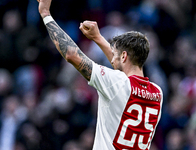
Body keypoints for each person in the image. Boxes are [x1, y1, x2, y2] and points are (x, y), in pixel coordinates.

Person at [37, 0, 163, 149]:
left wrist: (46, 14)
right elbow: (122, 66)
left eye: (115, 55)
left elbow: (71, 55)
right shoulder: (157, 93)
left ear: (123, 56)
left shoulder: (116, 82)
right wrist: (98, 38)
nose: (111, 60)